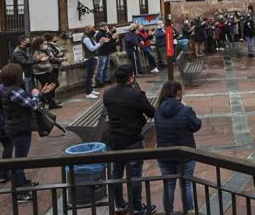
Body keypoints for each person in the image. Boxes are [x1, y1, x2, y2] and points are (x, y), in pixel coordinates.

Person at [103, 65, 156, 215]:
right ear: (131, 78)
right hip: (132, 139)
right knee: (135, 175)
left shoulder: (107, 93)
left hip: (115, 139)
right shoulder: (135, 94)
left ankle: (119, 204)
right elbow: (151, 112)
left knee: (116, 172)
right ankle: (137, 207)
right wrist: (139, 94)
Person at [1, 63, 53, 202]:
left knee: (20, 157)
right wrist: (37, 95)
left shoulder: (9, 89)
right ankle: (20, 192)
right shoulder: (14, 91)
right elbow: (32, 105)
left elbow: (26, 101)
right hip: (20, 128)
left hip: (16, 126)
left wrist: (41, 92)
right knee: (20, 159)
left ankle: (23, 182)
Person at [154, 81, 202, 214]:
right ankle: (189, 211)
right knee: (186, 184)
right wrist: (185, 107)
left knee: (169, 184)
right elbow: (196, 125)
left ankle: (168, 212)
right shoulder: (185, 110)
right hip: (185, 154)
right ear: (179, 93)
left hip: (164, 153)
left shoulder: (158, 110)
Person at [31, 38, 60, 109]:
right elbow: (35, 65)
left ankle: (51, 103)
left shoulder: (45, 51)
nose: (46, 45)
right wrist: (47, 66)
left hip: (47, 72)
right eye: (44, 44)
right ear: (40, 45)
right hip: (41, 73)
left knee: (49, 86)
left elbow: (50, 59)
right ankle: (45, 98)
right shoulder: (37, 53)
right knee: (54, 83)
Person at [83, 25, 108, 99]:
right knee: (89, 76)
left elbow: (95, 45)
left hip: (94, 57)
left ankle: (91, 90)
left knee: (92, 75)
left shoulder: (91, 37)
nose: (94, 30)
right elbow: (92, 48)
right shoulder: (86, 38)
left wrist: (101, 42)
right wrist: (100, 43)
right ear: (88, 30)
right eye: (92, 29)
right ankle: (88, 93)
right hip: (90, 58)